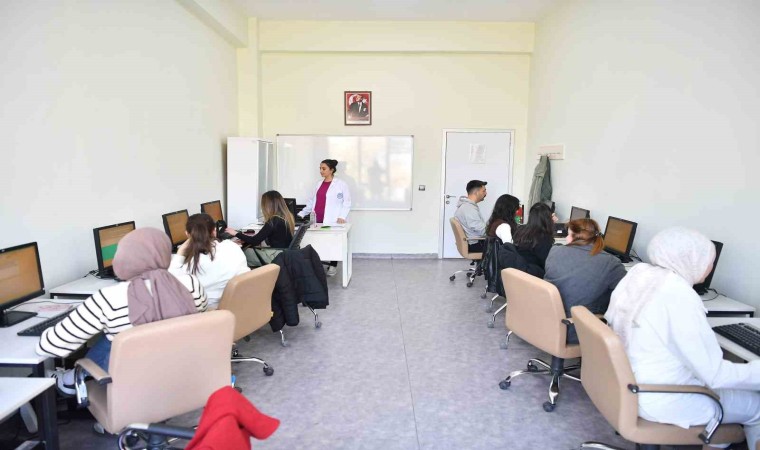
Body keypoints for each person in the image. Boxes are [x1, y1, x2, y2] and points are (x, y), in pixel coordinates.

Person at [605, 227, 760, 448]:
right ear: (692, 260)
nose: (710, 266)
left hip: (623, 383)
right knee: (756, 406)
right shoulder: (678, 295)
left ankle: (719, 439)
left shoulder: (639, 273)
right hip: (659, 396)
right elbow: (715, 375)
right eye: (709, 260)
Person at [37, 228, 207, 396]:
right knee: (113, 337)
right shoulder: (191, 284)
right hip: (185, 379)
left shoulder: (109, 299)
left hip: (133, 391)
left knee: (113, 338)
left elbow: (52, 345)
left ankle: (69, 381)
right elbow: (201, 313)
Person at [544, 218, 626, 344]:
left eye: (568, 234)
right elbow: (626, 296)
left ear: (576, 237)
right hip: (575, 329)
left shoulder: (555, 251)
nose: (566, 238)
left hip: (546, 321)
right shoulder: (611, 263)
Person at [171, 213, 249, 309]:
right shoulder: (232, 246)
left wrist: (180, 252)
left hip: (211, 312)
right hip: (240, 305)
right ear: (214, 231)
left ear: (188, 234)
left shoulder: (191, 264)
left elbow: (169, 285)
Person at [297, 159, 351, 276]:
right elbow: (311, 202)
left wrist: (342, 216)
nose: (321, 171)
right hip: (318, 218)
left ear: (331, 170)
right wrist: (301, 213)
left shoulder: (341, 184)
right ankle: (318, 265)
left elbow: (347, 203)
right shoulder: (318, 184)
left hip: (332, 219)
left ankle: (333, 265)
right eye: (320, 168)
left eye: (324, 168)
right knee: (318, 242)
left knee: (333, 242)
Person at [229, 190, 295, 268]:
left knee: (238, 254)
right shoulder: (286, 217)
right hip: (283, 254)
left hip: (274, 256)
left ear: (268, 206)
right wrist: (246, 239)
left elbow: (255, 241)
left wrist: (235, 233)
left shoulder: (273, 221)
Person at [510, 202, 555, 274]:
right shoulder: (544, 237)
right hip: (534, 275)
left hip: (519, 273)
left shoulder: (520, 229)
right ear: (547, 219)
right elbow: (546, 264)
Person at [454, 180, 488, 253]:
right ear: (476, 192)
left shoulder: (467, 206)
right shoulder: (469, 209)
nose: (486, 193)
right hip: (476, 244)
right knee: (505, 247)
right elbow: (482, 231)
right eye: (484, 191)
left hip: (474, 242)